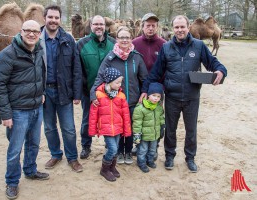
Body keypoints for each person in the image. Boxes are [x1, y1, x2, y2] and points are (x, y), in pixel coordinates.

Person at [140, 15, 227, 173]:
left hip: (192, 96)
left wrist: (221, 70)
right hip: (172, 97)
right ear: (173, 29)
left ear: (188, 27)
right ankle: (170, 156)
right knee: (170, 129)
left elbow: (213, 62)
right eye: (177, 27)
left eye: (182, 27)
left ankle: (190, 158)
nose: (179, 30)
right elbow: (155, 73)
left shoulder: (199, 46)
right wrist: (146, 89)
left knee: (191, 130)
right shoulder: (166, 48)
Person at [0, 20, 48, 200]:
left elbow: (42, 73)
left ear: (39, 34)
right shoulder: (8, 54)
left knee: (33, 143)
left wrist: (42, 92)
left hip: (36, 107)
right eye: (28, 31)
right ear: (21, 31)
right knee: (15, 148)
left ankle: (30, 170)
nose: (32, 34)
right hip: (17, 111)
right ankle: (12, 182)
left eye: (35, 31)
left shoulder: (39, 50)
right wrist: (6, 114)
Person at [90, 26, 148, 165]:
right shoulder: (110, 58)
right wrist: (93, 94)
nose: (124, 40)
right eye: (121, 37)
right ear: (117, 39)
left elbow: (145, 79)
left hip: (133, 101)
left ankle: (128, 151)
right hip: (114, 102)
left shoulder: (137, 57)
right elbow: (100, 77)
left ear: (131, 39)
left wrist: (145, 92)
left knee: (129, 128)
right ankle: (118, 151)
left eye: (127, 37)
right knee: (117, 128)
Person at [40, 5, 83, 172]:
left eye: (56, 18)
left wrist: (77, 93)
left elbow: (76, 68)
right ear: (45, 18)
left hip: (64, 90)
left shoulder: (68, 39)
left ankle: (72, 158)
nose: (53, 20)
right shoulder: (37, 39)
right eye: (50, 17)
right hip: (44, 92)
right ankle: (56, 154)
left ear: (60, 19)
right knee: (49, 127)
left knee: (69, 128)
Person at [76, 15, 116, 159]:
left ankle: (109, 145)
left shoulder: (113, 43)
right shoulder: (81, 44)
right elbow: (77, 69)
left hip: (110, 92)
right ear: (91, 26)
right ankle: (86, 145)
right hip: (88, 91)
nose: (99, 27)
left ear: (105, 26)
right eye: (96, 24)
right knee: (87, 120)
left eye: (101, 24)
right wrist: (80, 90)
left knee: (109, 119)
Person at [132, 13, 167, 156]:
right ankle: (139, 145)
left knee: (155, 118)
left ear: (157, 27)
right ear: (143, 26)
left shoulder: (164, 45)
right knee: (140, 117)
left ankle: (154, 146)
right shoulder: (134, 43)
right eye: (148, 25)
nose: (151, 28)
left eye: (153, 26)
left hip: (157, 90)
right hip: (138, 88)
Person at [89, 67, 131, 181]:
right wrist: (92, 130)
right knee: (112, 149)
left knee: (116, 148)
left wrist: (127, 130)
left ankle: (111, 167)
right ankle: (104, 169)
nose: (119, 84)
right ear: (109, 81)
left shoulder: (121, 95)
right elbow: (93, 114)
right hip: (106, 127)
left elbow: (126, 114)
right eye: (117, 82)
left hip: (118, 127)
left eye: (120, 82)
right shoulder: (98, 95)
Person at [132, 82, 165, 173]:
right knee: (143, 149)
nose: (156, 98)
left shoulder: (158, 107)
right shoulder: (140, 108)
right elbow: (137, 123)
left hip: (154, 134)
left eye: (158, 96)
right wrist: (137, 135)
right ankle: (141, 162)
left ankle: (150, 161)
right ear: (148, 95)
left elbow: (161, 117)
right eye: (154, 95)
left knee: (152, 149)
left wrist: (162, 126)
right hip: (144, 135)